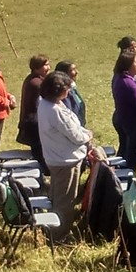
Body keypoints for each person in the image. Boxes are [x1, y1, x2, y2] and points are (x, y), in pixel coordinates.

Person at [37, 71, 100, 240]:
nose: (68, 92)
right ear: (57, 90)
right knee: (66, 201)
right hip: (65, 161)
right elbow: (76, 136)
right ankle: (60, 235)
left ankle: (54, 229)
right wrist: (88, 135)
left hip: (56, 157)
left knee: (58, 195)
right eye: (66, 89)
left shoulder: (45, 103)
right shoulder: (55, 111)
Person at [111, 50, 136, 167]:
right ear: (128, 65)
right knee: (131, 158)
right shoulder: (128, 84)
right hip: (132, 126)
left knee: (126, 153)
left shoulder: (121, 78)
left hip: (124, 122)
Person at [16, 55, 51, 172]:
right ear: (36, 68)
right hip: (35, 125)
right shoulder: (37, 83)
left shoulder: (32, 79)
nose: (48, 67)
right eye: (45, 65)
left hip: (33, 124)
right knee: (41, 156)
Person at [55, 60, 87, 127]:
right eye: (72, 70)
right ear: (64, 74)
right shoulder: (63, 93)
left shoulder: (72, 88)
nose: (76, 72)